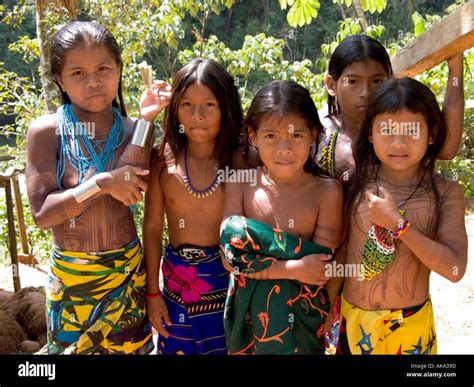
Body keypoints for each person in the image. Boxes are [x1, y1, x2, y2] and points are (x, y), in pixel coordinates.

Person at [26, 21, 159, 354]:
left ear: (119, 70)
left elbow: (133, 180)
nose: (94, 82)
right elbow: (43, 215)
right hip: (71, 282)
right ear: (59, 79)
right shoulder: (46, 132)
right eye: (78, 73)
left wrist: (148, 120)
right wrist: (100, 184)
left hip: (125, 276)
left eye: (103, 68)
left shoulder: (135, 130)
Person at [337, 77, 468, 354]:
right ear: (370, 132)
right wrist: (327, 306)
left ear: (432, 134)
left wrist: (399, 226)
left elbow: (455, 270)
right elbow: (343, 249)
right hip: (354, 323)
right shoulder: (353, 182)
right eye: (386, 129)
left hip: (411, 332)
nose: (398, 142)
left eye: (411, 130)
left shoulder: (445, 192)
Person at [220, 80, 343, 354]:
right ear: (253, 136)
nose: (284, 148)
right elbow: (230, 259)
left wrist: (322, 318)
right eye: (271, 136)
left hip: (304, 322)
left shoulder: (327, 191)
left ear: (313, 134)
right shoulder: (239, 183)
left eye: (296, 135)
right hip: (249, 319)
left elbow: (321, 269)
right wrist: (293, 269)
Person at [143, 58, 244, 355]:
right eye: (187, 104)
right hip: (177, 289)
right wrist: (152, 292)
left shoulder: (243, 161)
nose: (197, 115)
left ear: (226, 108)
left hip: (230, 288)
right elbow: (151, 229)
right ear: (175, 111)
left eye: (209, 105)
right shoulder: (163, 162)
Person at [318, 34, 464, 180]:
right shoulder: (320, 134)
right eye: (352, 82)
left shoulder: (401, 124)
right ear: (331, 85)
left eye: (377, 81)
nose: (366, 93)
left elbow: (447, 149)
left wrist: (455, 68)